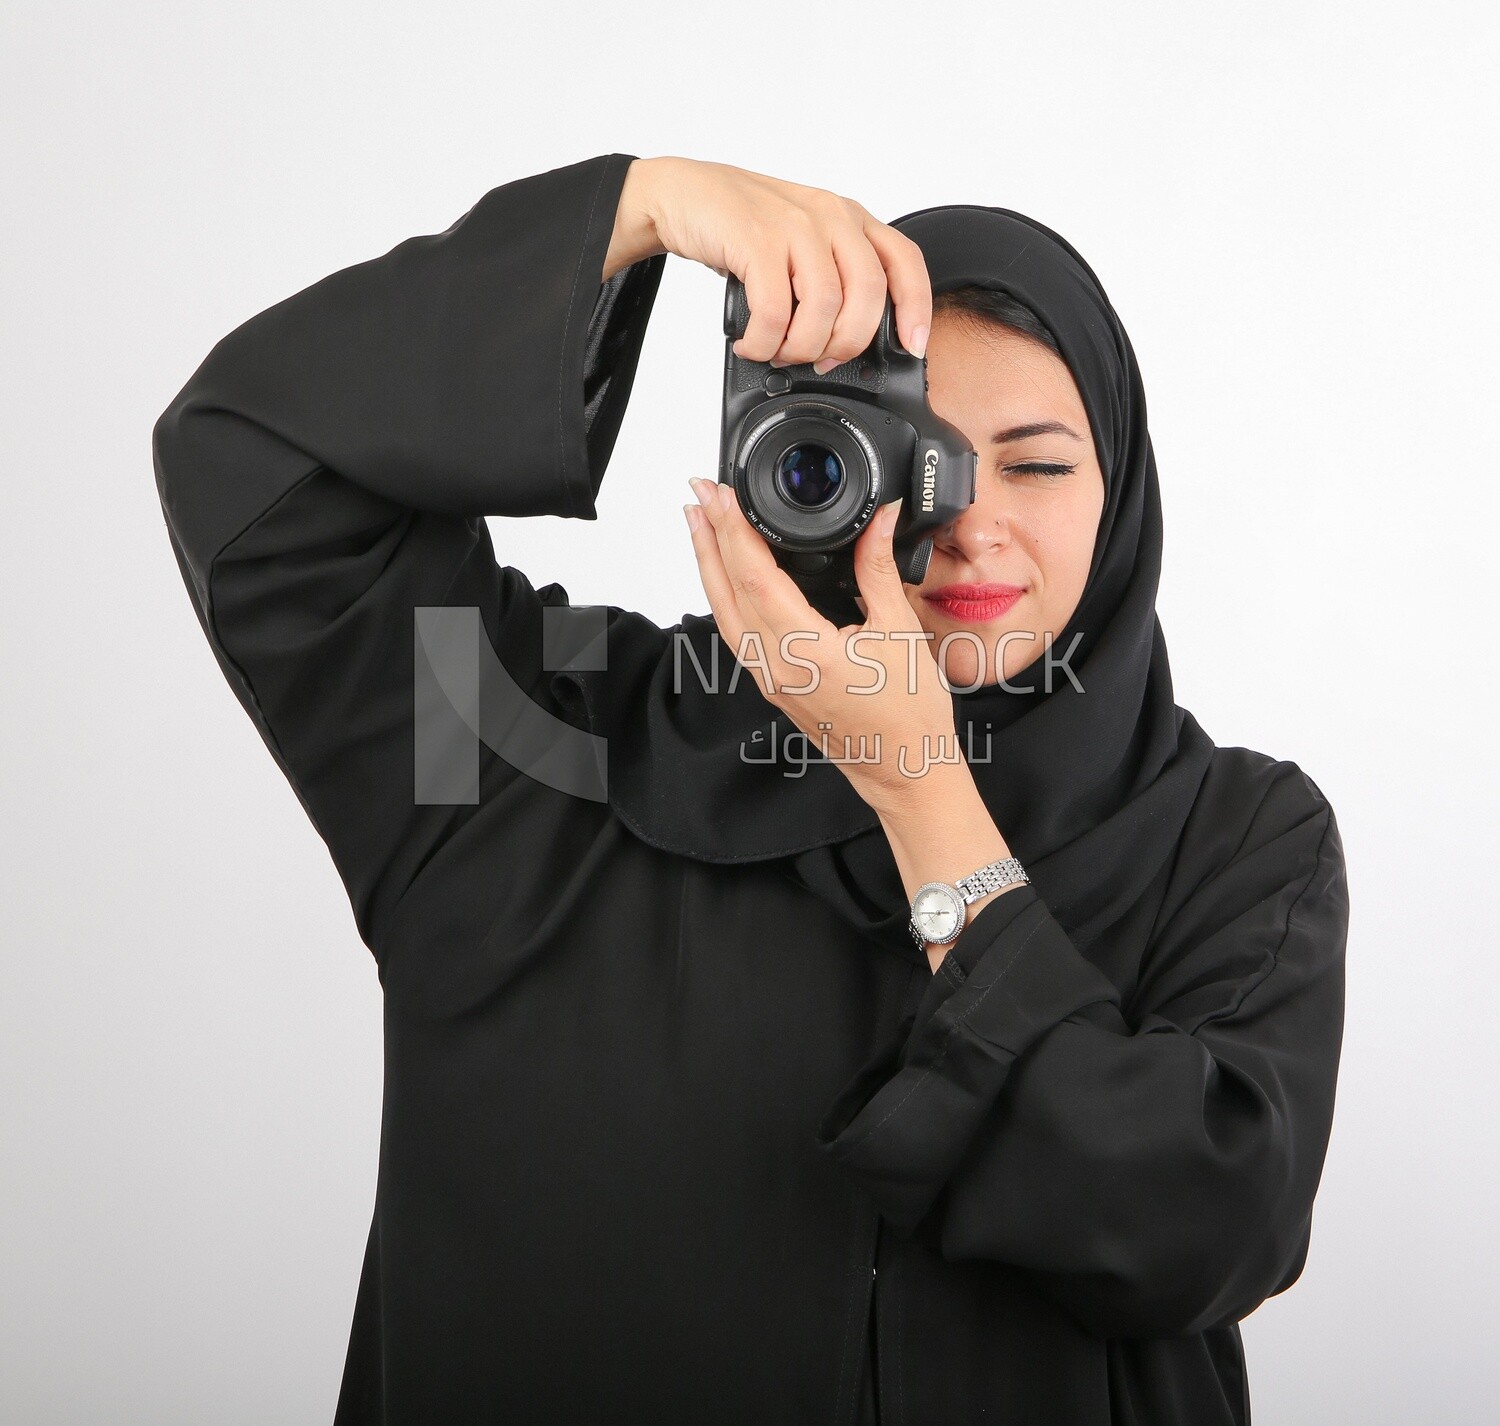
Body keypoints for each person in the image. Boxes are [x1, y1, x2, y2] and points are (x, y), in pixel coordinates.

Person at [151, 152, 1349, 1426]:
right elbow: (254, 465)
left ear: (1120, 502)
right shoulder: (529, 746)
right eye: (917, 456)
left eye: (1040, 466)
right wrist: (639, 208)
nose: (970, 521)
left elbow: (1205, 1225)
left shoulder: (1234, 838)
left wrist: (923, 793)